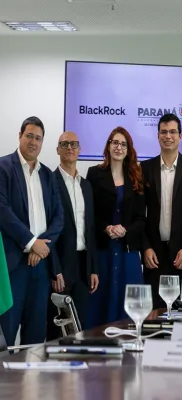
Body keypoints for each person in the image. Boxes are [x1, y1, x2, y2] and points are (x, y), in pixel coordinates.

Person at [0, 116, 63, 346]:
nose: (33, 142)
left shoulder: (47, 174)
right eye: (29, 136)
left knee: (36, 336)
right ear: (20, 135)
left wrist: (41, 246)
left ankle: (32, 372)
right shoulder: (3, 167)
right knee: (6, 334)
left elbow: (58, 218)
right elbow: (3, 211)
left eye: (38, 138)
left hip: (41, 267)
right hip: (12, 267)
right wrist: (30, 242)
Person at [86, 127, 145, 327]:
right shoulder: (94, 173)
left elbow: (141, 218)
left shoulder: (136, 176)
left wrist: (125, 230)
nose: (119, 147)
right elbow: (89, 213)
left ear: (129, 149)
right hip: (103, 251)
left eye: (123, 144)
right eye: (115, 143)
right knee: (100, 303)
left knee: (129, 307)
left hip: (128, 252)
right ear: (108, 146)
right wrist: (107, 228)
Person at [141, 114, 182, 308]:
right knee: (155, 314)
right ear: (158, 135)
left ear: (180, 136)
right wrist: (146, 247)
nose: (168, 136)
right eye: (164, 132)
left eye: (173, 132)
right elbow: (139, 214)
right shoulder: (145, 169)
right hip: (154, 257)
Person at [47, 131, 99, 338]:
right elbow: (46, 229)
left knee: (80, 327)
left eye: (74, 144)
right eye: (65, 144)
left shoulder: (86, 185)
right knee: (57, 330)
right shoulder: (49, 182)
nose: (70, 148)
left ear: (80, 150)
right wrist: (54, 270)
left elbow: (91, 228)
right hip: (60, 266)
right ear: (57, 150)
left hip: (83, 266)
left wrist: (93, 268)